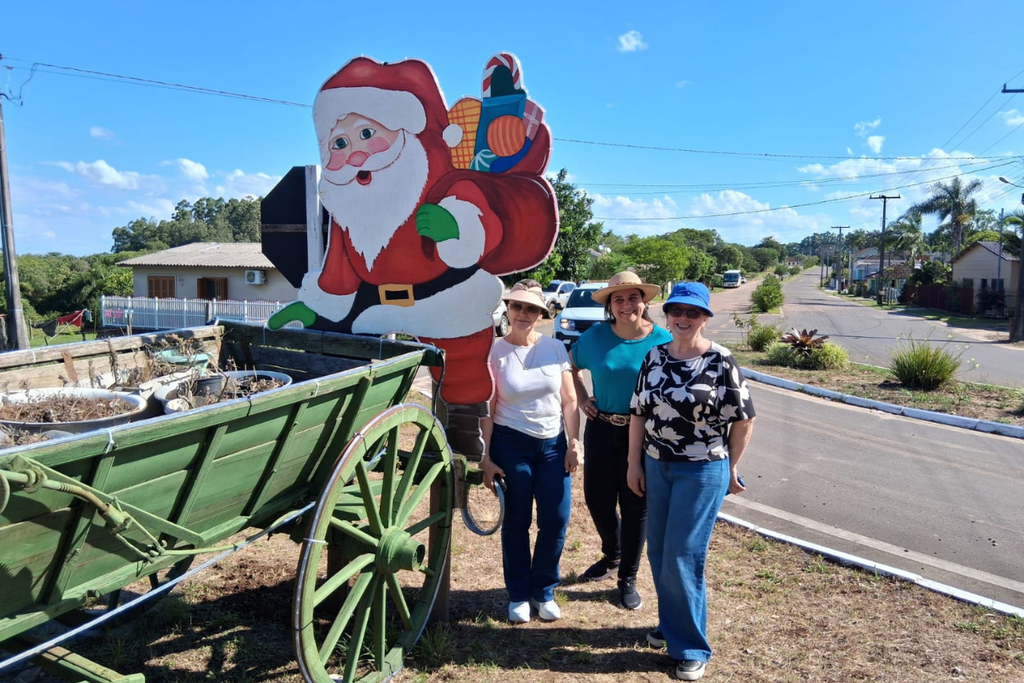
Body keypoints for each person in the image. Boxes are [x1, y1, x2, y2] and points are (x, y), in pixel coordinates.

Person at [627, 282, 755, 681]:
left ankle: (691, 647)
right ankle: (671, 625)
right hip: (657, 465)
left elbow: (744, 418)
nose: (683, 319)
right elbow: (639, 413)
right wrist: (634, 463)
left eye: (693, 313)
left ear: (704, 318)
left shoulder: (720, 360)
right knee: (660, 552)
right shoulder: (654, 356)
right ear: (667, 314)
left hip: (702, 470)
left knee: (684, 555)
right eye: (676, 311)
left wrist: (729, 469)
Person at [481, 280, 581, 623]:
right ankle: (519, 594)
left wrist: (573, 443)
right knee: (517, 521)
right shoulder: (494, 351)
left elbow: (569, 401)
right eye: (517, 307)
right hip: (511, 445)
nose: (523, 314)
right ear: (507, 310)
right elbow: (489, 408)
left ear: (541, 314)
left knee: (555, 519)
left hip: (553, 446)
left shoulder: (555, 348)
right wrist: (486, 457)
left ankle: (544, 591)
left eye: (531, 309)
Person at [570, 271, 670, 610]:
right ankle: (612, 554)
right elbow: (569, 368)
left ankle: (627, 576)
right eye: (618, 299)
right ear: (610, 306)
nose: (626, 304)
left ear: (644, 301)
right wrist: (583, 396)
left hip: (644, 434)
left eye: (632, 297)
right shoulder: (595, 337)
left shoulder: (662, 340)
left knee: (634, 506)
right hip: (601, 428)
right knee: (597, 500)